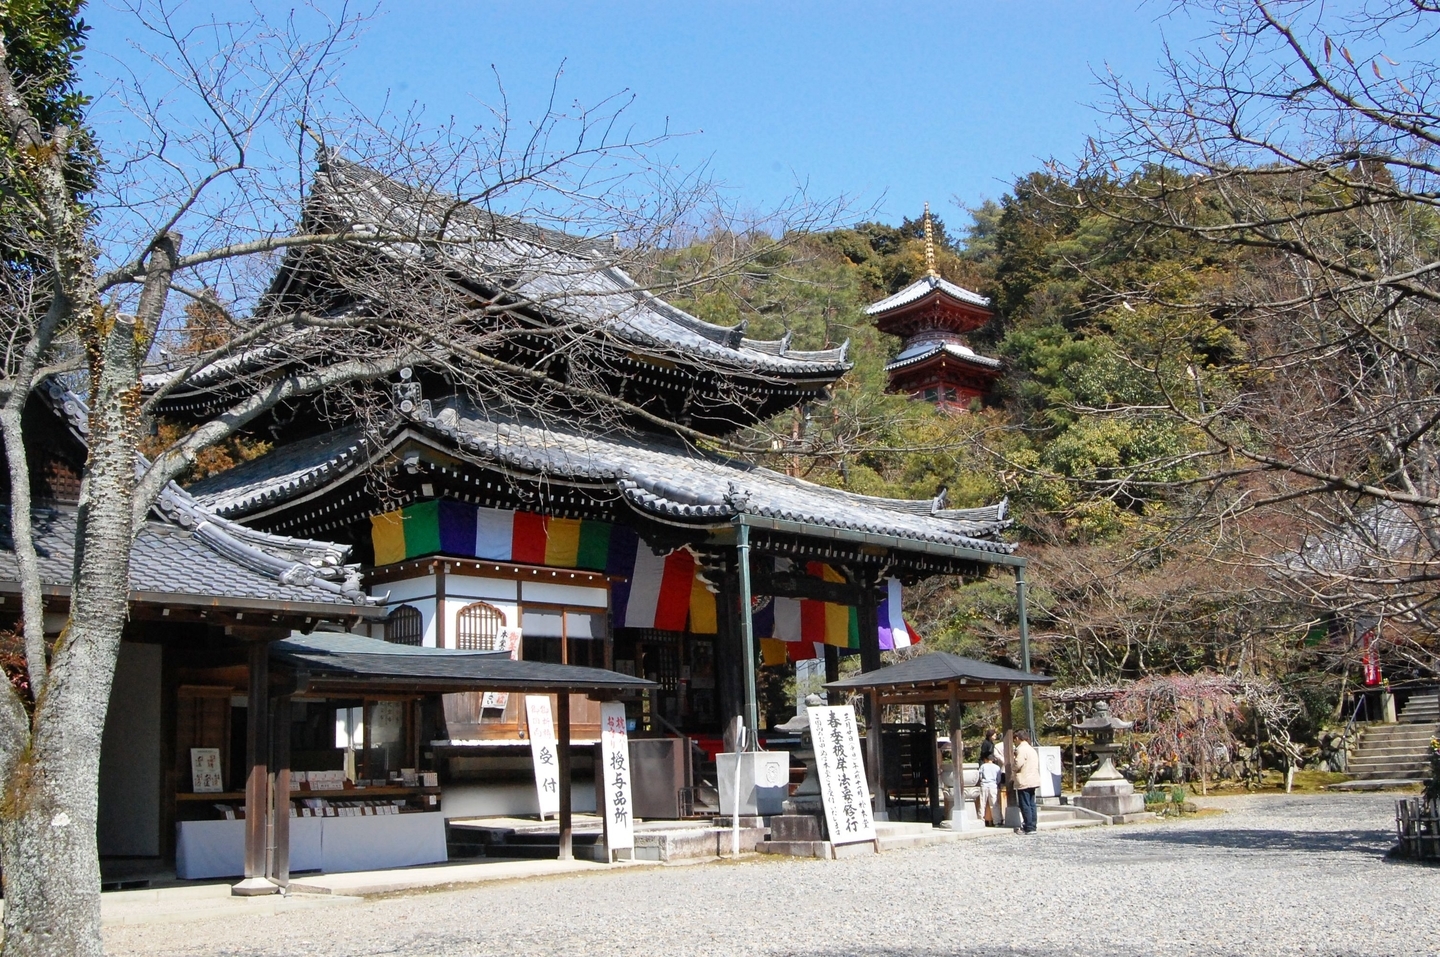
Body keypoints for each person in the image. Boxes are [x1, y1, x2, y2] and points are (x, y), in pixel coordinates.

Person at [1011, 730, 1040, 835]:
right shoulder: (1031, 749)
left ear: (1017, 738)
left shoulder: (1021, 749)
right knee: (1032, 804)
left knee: (1025, 804)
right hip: (1033, 779)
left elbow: (1018, 763)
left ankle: (1028, 826)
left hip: (1024, 779)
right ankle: (1033, 825)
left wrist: (1012, 767)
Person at [976, 754, 1002, 826]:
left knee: (982, 803)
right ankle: (997, 821)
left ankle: (981, 820)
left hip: (984, 785)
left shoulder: (983, 766)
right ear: (993, 759)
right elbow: (999, 778)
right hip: (993, 785)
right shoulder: (997, 767)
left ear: (985, 759)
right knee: (994, 804)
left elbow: (980, 776)